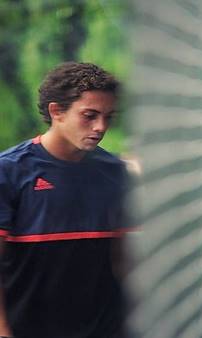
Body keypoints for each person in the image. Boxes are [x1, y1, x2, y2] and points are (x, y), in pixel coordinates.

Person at [0, 62, 129, 337]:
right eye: (89, 115)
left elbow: (123, 262)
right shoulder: (8, 172)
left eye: (109, 116)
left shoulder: (116, 173)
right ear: (56, 111)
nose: (101, 126)